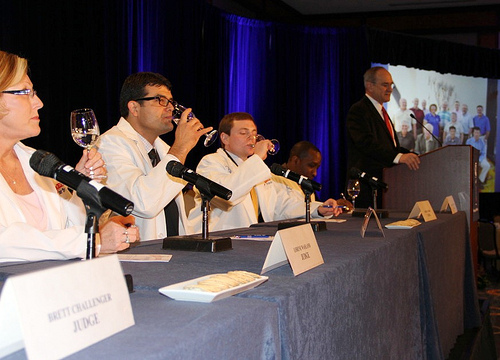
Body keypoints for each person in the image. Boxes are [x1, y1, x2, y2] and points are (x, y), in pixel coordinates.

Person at [0, 51, 139, 262]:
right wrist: (93, 242)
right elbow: (6, 243)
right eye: (25, 92)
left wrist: (79, 188)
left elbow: (66, 227)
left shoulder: (36, 161)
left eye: (34, 92)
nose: (39, 102)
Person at [99, 72, 212, 241]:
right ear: (134, 108)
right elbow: (142, 203)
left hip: (174, 252)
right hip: (135, 258)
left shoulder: (165, 150)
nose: (171, 108)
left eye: (171, 102)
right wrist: (180, 148)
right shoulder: (110, 143)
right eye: (160, 100)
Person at [188, 112, 340, 231]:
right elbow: (227, 195)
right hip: (219, 239)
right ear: (225, 138)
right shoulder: (211, 162)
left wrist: (317, 209)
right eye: (243, 133)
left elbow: (280, 207)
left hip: (250, 241)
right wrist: (258, 159)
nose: (252, 138)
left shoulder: (255, 168)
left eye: (254, 133)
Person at [346, 66, 420, 208]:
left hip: (385, 187)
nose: (390, 89)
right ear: (370, 86)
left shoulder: (381, 111)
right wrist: (398, 157)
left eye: (391, 85)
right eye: (385, 85)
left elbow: (391, 147)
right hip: (367, 189)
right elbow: (366, 144)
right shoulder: (359, 110)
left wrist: (414, 156)